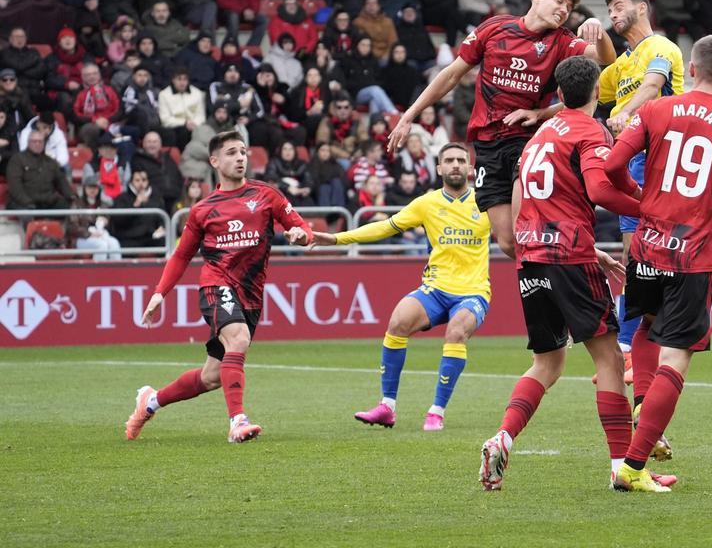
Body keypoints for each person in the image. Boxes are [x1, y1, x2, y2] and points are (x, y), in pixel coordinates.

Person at [479, 56, 663, 491]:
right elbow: (600, 189)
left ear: (558, 95)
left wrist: (575, 246)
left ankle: (503, 436)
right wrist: (650, 210)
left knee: (548, 360)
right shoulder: (590, 130)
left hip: (533, 256)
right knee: (611, 360)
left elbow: (524, 195)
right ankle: (623, 467)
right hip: (568, 259)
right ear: (596, 92)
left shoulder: (541, 133)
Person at [603, 35, 712, 492]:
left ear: (690, 69)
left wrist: (643, 199)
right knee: (678, 357)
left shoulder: (653, 111)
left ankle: (641, 414)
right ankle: (632, 468)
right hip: (693, 254)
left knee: (648, 329)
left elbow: (614, 165)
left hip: (647, 245)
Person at [386, 0, 615, 258]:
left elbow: (605, 61)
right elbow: (451, 74)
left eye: (568, 7)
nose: (564, 10)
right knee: (509, 242)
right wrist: (409, 115)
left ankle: (580, 261)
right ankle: (566, 263)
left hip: (527, 142)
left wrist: (600, 34)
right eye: (559, 1)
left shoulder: (562, 40)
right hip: (487, 146)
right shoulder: (494, 28)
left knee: (527, 228)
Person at [125, 131, 312, 444]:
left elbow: (302, 228)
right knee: (237, 338)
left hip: (250, 296)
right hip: (215, 286)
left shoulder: (266, 195)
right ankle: (237, 421)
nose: (240, 158)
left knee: (211, 376)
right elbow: (182, 255)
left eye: (242, 152)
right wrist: (160, 293)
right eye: (231, 153)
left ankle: (151, 401)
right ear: (214, 161)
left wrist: (300, 236)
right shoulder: (203, 210)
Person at [309, 143, 490, 432]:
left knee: (456, 332)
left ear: (471, 169)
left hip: (474, 291)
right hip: (436, 288)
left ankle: (436, 411)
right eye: (449, 161)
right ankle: (387, 407)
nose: (455, 165)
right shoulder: (427, 203)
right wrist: (336, 239)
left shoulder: (488, 202)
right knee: (397, 322)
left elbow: (513, 233)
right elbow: (385, 227)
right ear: (439, 168)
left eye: (461, 160)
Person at [597, 0, 685, 374]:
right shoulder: (621, 65)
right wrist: (541, 113)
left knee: (658, 260)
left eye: (619, 7)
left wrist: (624, 113)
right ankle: (627, 347)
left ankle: (651, 344)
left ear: (641, 8)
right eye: (609, 9)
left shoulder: (661, 47)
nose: (613, 13)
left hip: (662, 158)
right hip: (631, 162)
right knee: (634, 261)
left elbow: (652, 88)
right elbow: (586, 92)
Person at [6, 127, 74, 210]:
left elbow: (61, 181)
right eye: (34, 141)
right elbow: (15, 188)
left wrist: (71, 196)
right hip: (24, 202)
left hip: (48, 202)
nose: (37, 144)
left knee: (68, 207)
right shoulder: (17, 160)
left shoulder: (51, 162)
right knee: (25, 212)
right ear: (28, 142)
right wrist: (27, 202)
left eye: (40, 141)